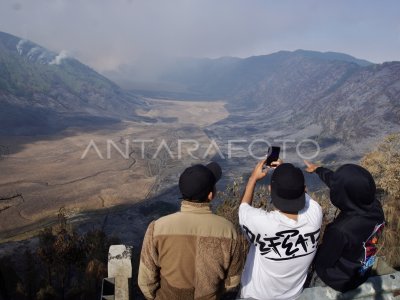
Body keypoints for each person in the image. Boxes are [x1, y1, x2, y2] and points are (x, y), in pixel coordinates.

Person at [138, 162, 243, 300]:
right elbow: (233, 280)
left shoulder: (157, 228)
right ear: (211, 195)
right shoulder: (228, 231)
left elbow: (146, 282)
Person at [239, 161, 323, 299]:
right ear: (304, 189)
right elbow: (305, 196)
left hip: (256, 296)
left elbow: (243, 208)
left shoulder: (262, 223)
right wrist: (289, 173)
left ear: (270, 189)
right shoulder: (315, 215)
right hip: (294, 296)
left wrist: (252, 179)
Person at [304, 161, 385, 292]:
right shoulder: (375, 206)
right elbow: (346, 186)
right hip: (362, 270)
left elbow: (324, 262)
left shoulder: (340, 230)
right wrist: (319, 169)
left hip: (339, 280)